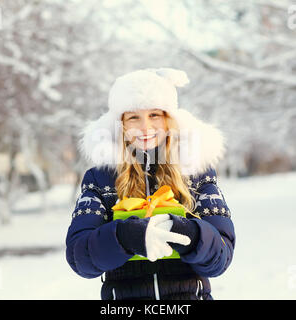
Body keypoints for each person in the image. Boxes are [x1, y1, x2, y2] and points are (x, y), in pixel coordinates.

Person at [65, 68, 235, 300]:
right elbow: (80, 258)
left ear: (169, 119)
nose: (145, 128)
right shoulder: (101, 179)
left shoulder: (196, 172)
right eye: (133, 117)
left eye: (155, 115)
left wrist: (189, 234)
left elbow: (221, 258)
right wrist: (124, 237)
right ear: (120, 124)